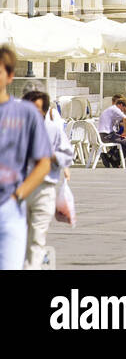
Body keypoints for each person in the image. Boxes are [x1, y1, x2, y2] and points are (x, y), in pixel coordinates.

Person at [0, 48, 52, 271]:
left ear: (10, 76)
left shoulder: (26, 114)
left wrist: (17, 196)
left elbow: (44, 162)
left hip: (8, 207)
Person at [20, 90, 71, 270]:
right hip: (18, 190)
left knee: (37, 236)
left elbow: (67, 155)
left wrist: (52, 156)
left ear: (44, 110)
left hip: (44, 188)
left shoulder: (53, 130)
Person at [96, 94, 126, 166]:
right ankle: (114, 159)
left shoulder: (111, 109)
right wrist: (125, 132)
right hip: (106, 136)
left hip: (103, 135)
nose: (123, 111)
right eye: (124, 109)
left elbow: (120, 121)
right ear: (121, 105)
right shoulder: (115, 109)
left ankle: (110, 156)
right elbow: (125, 119)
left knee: (122, 140)